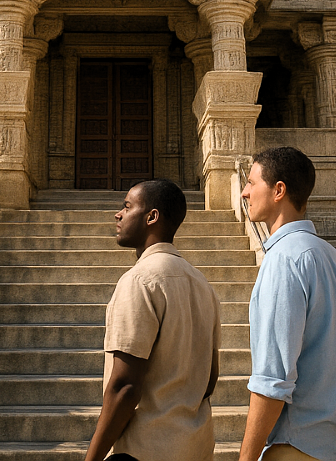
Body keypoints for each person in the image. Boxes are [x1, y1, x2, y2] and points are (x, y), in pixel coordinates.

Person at [84, 179, 222, 461]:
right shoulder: (202, 284)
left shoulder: (139, 281)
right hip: (196, 447)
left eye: (127, 207)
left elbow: (125, 387)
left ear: (151, 217)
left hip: (146, 449)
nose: (118, 214)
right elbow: (209, 380)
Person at [239, 146, 336, 461]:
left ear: (278, 190)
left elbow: (272, 381)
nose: (244, 192)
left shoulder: (284, 260)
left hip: (297, 446)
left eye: (251, 182)